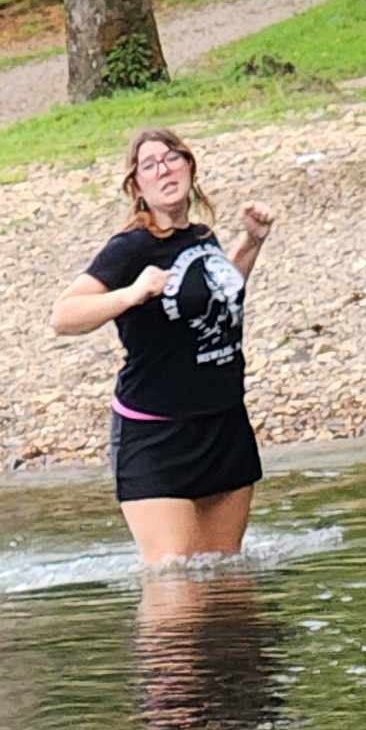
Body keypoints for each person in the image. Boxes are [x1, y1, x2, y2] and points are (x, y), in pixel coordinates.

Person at [50, 127, 275, 570]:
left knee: (226, 578)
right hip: (157, 433)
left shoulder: (202, 237)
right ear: (137, 186)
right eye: (149, 164)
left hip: (223, 426)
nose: (164, 169)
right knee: (173, 578)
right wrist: (132, 294)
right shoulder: (131, 248)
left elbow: (217, 296)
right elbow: (63, 316)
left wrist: (250, 243)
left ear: (190, 167)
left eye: (172, 157)